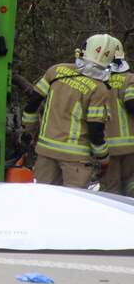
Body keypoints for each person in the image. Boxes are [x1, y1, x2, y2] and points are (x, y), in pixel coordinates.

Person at [22, 33, 115, 188]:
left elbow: (32, 103)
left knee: (43, 200)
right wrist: (103, 158)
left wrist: (29, 132)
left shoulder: (56, 71)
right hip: (76, 160)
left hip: (46, 152)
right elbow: (96, 129)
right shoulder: (99, 89)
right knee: (73, 205)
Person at [102, 43, 134, 196]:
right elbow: (131, 105)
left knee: (111, 190)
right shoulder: (130, 79)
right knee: (131, 184)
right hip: (131, 145)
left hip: (108, 147)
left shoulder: (100, 83)